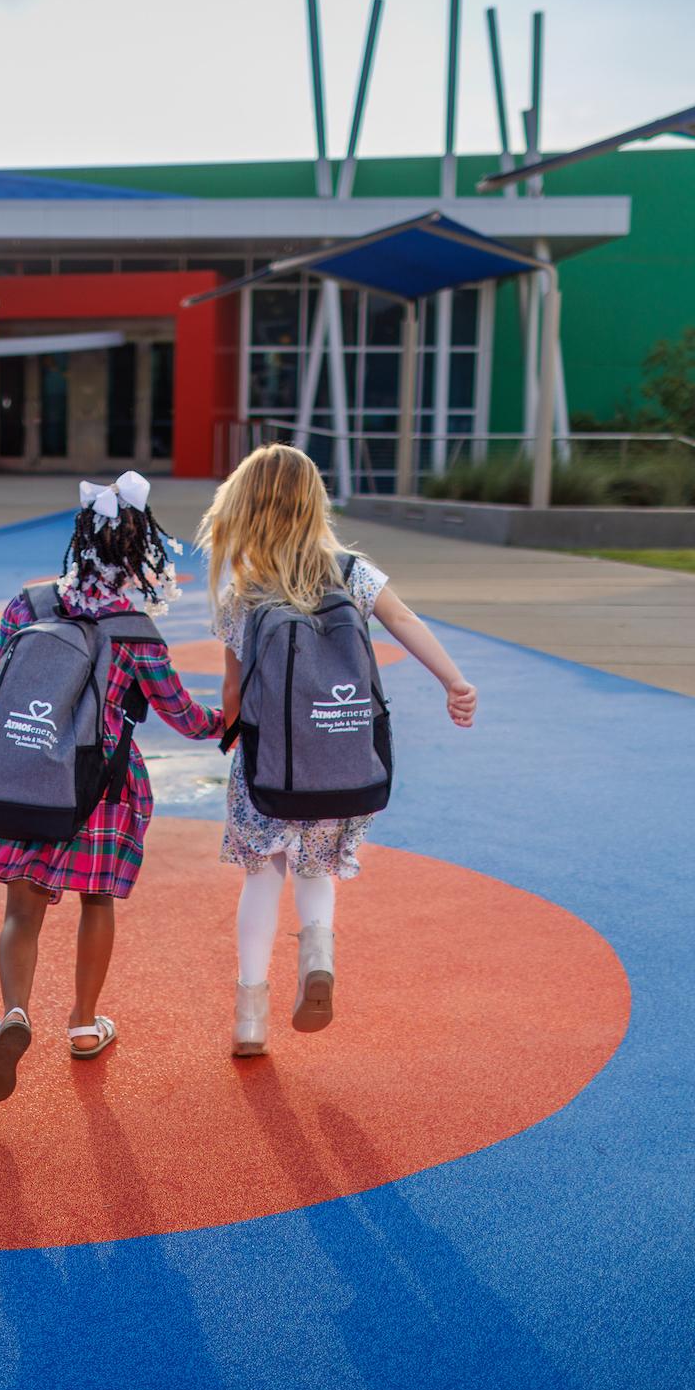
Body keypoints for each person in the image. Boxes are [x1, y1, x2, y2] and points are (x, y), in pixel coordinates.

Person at [0, 472, 222, 1101]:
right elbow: (184, 716)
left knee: (22, 911)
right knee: (94, 901)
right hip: (100, 791)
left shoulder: (31, 606)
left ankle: (14, 1012)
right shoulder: (137, 632)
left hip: (25, 779)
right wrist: (231, 725)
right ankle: (81, 1023)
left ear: (79, 543)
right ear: (140, 555)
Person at [197, 444, 477, 1057]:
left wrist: (222, 725)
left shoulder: (244, 593)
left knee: (262, 874)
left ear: (243, 508)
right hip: (340, 757)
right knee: (317, 868)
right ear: (314, 503)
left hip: (269, 766)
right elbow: (405, 621)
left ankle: (249, 1018)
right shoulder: (353, 573)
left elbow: (233, 693)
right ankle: (317, 952)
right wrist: (453, 681)